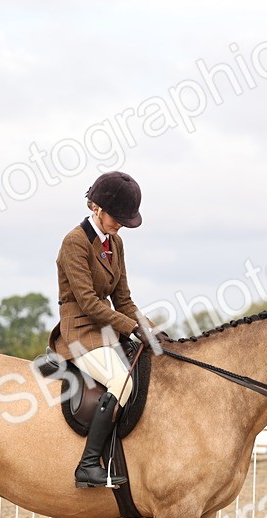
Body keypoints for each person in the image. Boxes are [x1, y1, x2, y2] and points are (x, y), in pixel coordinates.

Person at [47, 171, 168, 488]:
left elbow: (123, 299)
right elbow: (87, 302)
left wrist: (152, 332)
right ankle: (87, 465)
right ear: (95, 206)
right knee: (121, 382)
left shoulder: (115, 242)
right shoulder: (74, 242)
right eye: (117, 217)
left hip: (107, 329)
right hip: (80, 330)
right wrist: (131, 329)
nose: (121, 224)